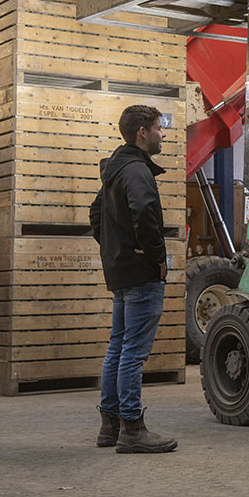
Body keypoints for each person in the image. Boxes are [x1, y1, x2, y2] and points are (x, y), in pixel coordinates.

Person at [89, 104, 177, 454]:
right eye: (159, 128)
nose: (163, 134)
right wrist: (154, 254)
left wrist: (115, 248)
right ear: (143, 132)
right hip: (140, 273)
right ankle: (132, 428)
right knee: (133, 353)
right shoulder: (137, 170)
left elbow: (96, 212)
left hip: (120, 270)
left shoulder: (115, 168)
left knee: (118, 346)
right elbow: (142, 211)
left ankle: (109, 425)